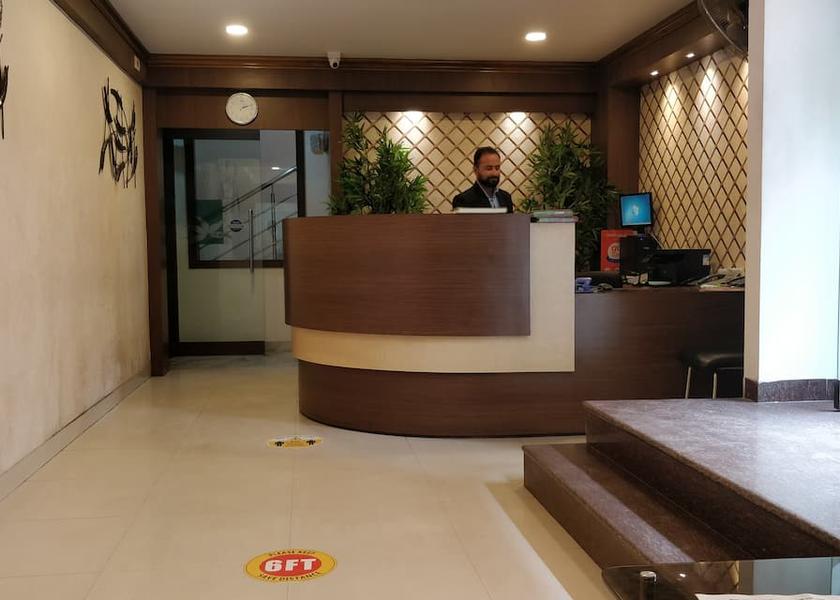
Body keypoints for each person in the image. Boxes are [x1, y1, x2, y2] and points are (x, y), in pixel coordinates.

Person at [452, 147, 514, 213]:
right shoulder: (463, 201)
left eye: (497, 168)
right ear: (476, 170)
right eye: (489, 168)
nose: (494, 173)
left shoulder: (506, 197)